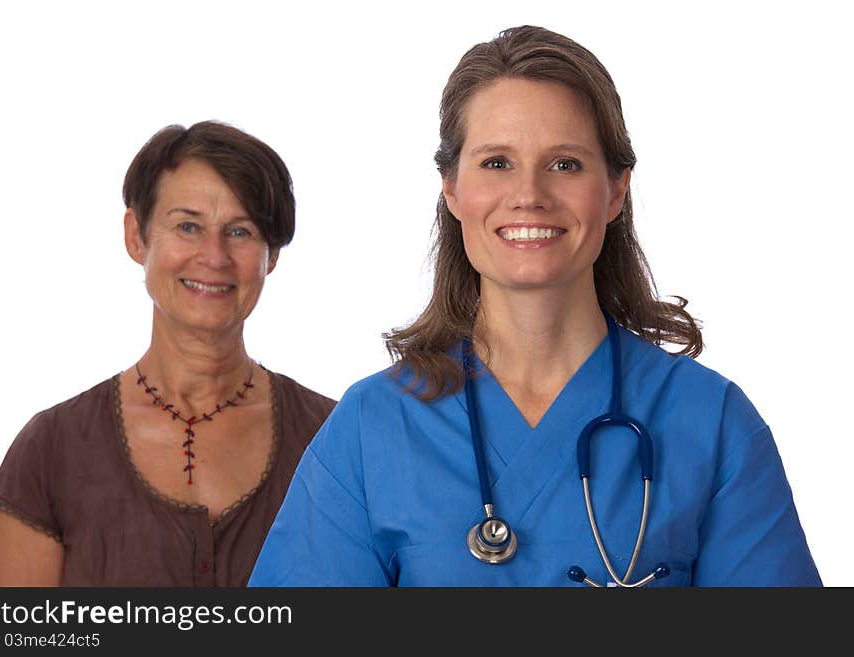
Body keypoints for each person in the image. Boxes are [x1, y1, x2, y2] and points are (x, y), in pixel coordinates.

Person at [248, 26, 821, 587]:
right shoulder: (373, 426)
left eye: (565, 163)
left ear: (616, 190)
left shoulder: (712, 422)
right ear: (451, 189)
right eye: (496, 162)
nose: (529, 194)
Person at [0, 121, 336, 586]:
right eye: (188, 226)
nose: (213, 257)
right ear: (137, 236)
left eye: (240, 231)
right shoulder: (51, 450)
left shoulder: (334, 441)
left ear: (270, 256)